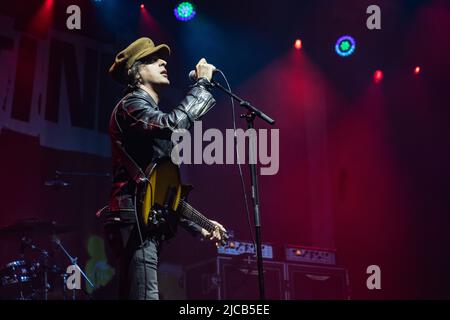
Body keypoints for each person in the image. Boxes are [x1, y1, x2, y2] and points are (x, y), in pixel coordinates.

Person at [103, 37, 226, 300]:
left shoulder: (143, 112)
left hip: (140, 218)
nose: (163, 61)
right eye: (151, 59)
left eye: (162, 58)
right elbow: (173, 125)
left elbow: (162, 194)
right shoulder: (131, 105)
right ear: (136, 72)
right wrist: (202, 85)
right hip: (134, 220)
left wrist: (201, 224)